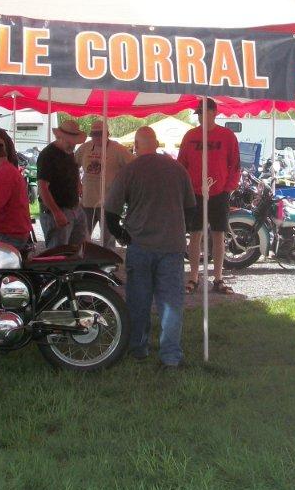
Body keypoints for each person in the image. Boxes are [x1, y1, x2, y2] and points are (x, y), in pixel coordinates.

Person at [105, 126, 196, 369]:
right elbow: (192, 211)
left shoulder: (129, 170)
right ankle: (171, 356)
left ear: (136, 145)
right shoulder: (178, 169)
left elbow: (110, 213)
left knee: (138, 301)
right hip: (172, 245)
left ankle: (138, 348)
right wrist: (181, 231)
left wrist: (123, 236)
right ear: (156, 143)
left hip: (140, 244)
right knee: (172, 302)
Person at [177, 98, 241, 294]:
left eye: (204, 113)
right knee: (194, 235)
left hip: (218, 192)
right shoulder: (190, 136)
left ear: (214, 112)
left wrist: (227, 188)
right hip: (195, 193)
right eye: (198, 114)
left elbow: (236, 165)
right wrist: (185, 189)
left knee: (218, 234)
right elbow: (181, 165)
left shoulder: (227, 136)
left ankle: (218, 278)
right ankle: (193, 277)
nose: (201, 118)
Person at [74, 118, 132, 247]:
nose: (97, 136)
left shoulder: (118, 149)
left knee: (108, 239)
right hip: (87, 200)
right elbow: (72, 165)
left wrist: (123, 187)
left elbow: (133, 167)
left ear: (107, 134)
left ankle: (108, 265)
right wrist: (78, 183)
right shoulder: (85, 147)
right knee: (83, 236)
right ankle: (85, 263)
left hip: (109, 202)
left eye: (100, 133)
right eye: (94, 134)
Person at [37, 119, 87, 249]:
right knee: (58, 254)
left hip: (74, 207)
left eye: (74, 142)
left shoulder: (69, 153)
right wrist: (56, 212)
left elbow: (74, 169)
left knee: (79, 250)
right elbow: (42, 188)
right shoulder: (47, 155)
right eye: (69, 141)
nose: (72, 145)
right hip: (57, 210)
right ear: (59, 137)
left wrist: (78, 183)